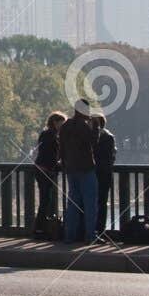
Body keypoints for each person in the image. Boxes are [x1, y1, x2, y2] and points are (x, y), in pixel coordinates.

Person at [57, 99, 99, 245]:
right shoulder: (83, 126)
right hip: (86, 168)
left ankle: (69, 236)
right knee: (90, 203)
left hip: (70, 169)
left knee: (73, 203)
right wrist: (96, 127)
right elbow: (93, 143)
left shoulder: (66, 125)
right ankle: (90, 235)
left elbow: (60, 147)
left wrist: (63, 162)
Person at [32, 112, 65, 238]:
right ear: (54, 122)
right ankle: (39, 228)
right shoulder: (49, 135)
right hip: (44, 170)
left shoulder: (48, 134)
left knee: (46, 199)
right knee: (45, 199)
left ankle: (42, 226)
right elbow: (50, 154)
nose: (62, 125)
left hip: (43, 170)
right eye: (60, 122)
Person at [93, 113, 117, 239]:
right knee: (102, 202)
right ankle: (100, 230)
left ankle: (90, 230)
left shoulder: (91, 137)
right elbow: (111, 156)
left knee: (91, 202)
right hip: (105, 173)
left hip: (92, 173)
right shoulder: (108, 137)